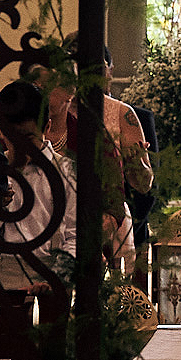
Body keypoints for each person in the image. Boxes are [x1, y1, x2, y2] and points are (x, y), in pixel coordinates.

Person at [40, 37, 152, 270]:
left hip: (105, 219)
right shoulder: (44, 111)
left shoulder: (121, 114)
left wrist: (134, 161)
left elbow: (144, 184)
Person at [0, 79, 77, 298]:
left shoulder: (66, 173)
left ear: (47, 127)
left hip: (50, 275)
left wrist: (57, 279)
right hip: (1, 277)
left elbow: (75, 237)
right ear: (1, 132)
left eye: (29, 137)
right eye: (13, 137)